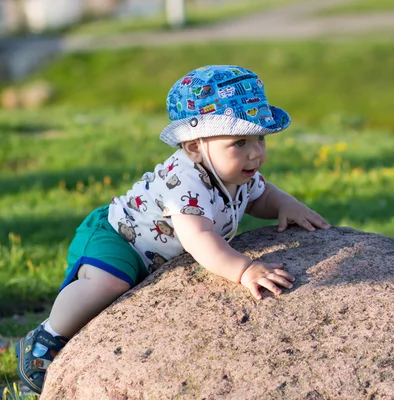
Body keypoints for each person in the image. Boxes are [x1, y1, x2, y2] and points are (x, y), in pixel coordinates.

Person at [16, 65, 330, 394]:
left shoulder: (238, 174)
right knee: (110, 284)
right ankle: (46, 337)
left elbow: (260, 196)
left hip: (152, 253)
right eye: (239, 142)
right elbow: (198, 237)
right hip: (119, 237)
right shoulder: (186, 181)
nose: (256, 152)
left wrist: (285, 205)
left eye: (260, 138)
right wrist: (243, 270)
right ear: (194, 147)